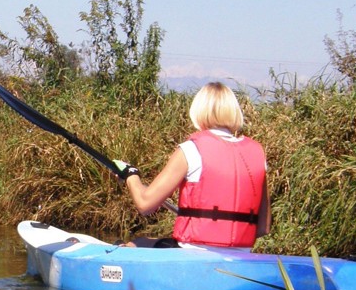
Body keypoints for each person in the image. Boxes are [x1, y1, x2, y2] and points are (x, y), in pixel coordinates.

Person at [115, 82, 269, 248]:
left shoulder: (191, 149)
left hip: (193, 254)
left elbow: (145, 204)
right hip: (241, 254)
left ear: (197, 112)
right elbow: (263, 228)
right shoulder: (257, 154)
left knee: (139, 242)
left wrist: (131, 175)